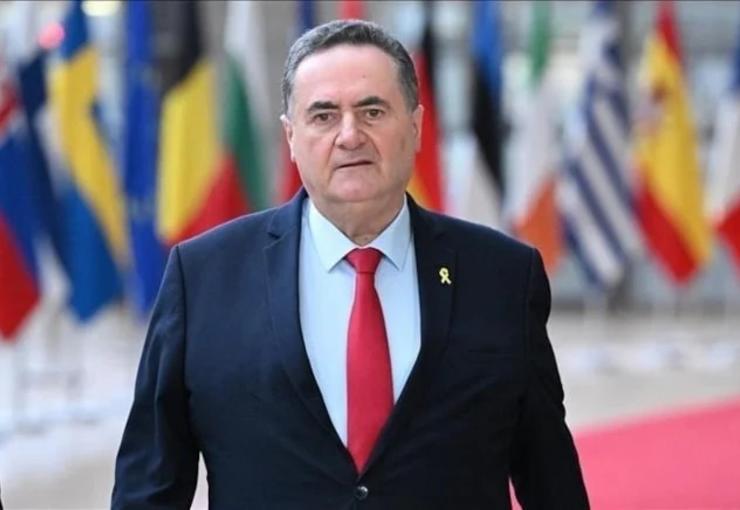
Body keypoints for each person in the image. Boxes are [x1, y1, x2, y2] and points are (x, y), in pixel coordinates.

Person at [112, 19, 589, 509]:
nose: (349, 135)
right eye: (323, 115)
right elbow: (148, 489)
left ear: (416, 127)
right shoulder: (204, 278)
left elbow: (552, 484)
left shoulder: (503, 277)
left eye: (372, 111)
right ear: (291, 137)